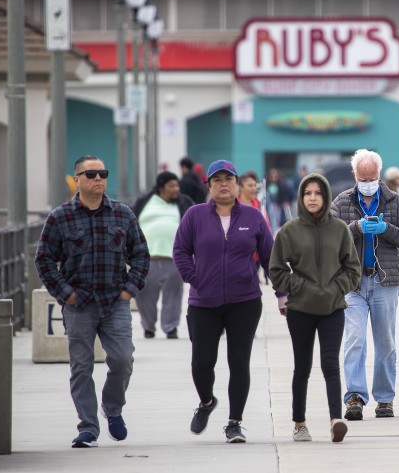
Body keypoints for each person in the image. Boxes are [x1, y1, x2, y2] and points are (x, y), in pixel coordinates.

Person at [35, 155, 150, 448]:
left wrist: (129, 290)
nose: (98, 178)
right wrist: (66, 294)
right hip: (79, 303)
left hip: (115, 302)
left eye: (103, 173)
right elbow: (44, 259)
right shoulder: (60, 217)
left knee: (123, 360)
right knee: (81, 366)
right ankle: (88, 427)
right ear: (77, 180)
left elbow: (139, 254)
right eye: (91, 174)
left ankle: (112, 409)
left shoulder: (123, 214)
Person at [172, 159, 285, 444]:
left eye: (229, 179)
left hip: (244, 301)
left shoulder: (253, 217)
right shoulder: (194, 215)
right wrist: (193, 277)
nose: (224, 184)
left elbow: (271, 257)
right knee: (201, 362)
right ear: (208, 186)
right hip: (203, 301)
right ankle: (207, 402)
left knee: (238, 361)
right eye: (217, 180)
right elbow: (180, 250)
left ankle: (234, 422)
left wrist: (282, 293)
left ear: (237, 185)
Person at [269, 173, 361, 443]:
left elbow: (353, 269)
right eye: (307, 193)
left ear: (325, 197)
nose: (312, 197)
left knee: (331, 365)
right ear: (301, 196)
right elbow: (276, 270)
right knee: (302, 367)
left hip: (333, 308)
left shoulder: (340, 229)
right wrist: (299, 286)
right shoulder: (289, 231)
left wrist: (335, 288)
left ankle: (336, 420)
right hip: (300, 310)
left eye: (317, 193)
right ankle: (300, 423)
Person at [331, 149, 399, 420]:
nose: (367, 181)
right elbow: (329, 237)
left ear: (379, 175)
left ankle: (385, 398)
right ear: (354, 175)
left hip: (384, 282)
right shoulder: (342, 201)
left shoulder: (394, 201)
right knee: (355, 339)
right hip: (352, 283)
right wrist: (355, 227)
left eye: (371, 177)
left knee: (386, 341)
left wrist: (386, 229)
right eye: (362, 177)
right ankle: (355, 396)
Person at [132, 171, 195, 339]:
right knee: (144, 295)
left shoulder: (184, 202)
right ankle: (148, 326)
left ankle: (171, 327)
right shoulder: (144, 201)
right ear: (161, 188)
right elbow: (130, 222)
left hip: (174, 259)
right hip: (147, 259)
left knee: (174, 296)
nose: (176, 189)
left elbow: (195, 224)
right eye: (171, 186)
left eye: (177, 185)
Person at [264, 167, 293, 233]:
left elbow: (288, 194)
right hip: (270, 205)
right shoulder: (266, 184)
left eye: (275, 176)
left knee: (279, 220)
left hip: (279, 205)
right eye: (272, 176)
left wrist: (286, 201)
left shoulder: (282, 184)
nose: (274, 177)